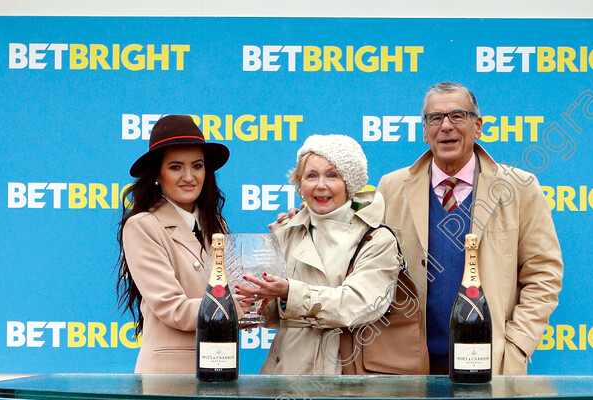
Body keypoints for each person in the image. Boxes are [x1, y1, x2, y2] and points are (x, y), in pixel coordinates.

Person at [376, 81, 563, 375]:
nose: (446, 126)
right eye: (435, 118)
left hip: (491, 366)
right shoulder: (391, 187)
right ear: (425, 131)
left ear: (478, 126)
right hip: (408, 368)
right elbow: (361, 256)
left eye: (457, 116)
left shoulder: (520, 187)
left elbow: (544, 276)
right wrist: (302, 220)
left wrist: (516, 345)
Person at [235, 134, 411, 375]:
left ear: (349, 182)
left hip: (343, 373)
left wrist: (289, 291)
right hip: (284, 374)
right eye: (311, 176)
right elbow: (273, 316)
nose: (320, 185)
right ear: (300, 183)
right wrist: (256, 301)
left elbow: (359, 304)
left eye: (332, 175)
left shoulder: (377, 237)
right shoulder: (286, 230)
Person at [116, 114, 234, 373]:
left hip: (220, 370)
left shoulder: (216, 225)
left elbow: (231, 290)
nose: (189, 177)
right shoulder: (143, 225)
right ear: (157, 173)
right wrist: (235, 306)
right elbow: (174, 309)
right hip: (169, 378)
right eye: (176, 167)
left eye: (197, 166)